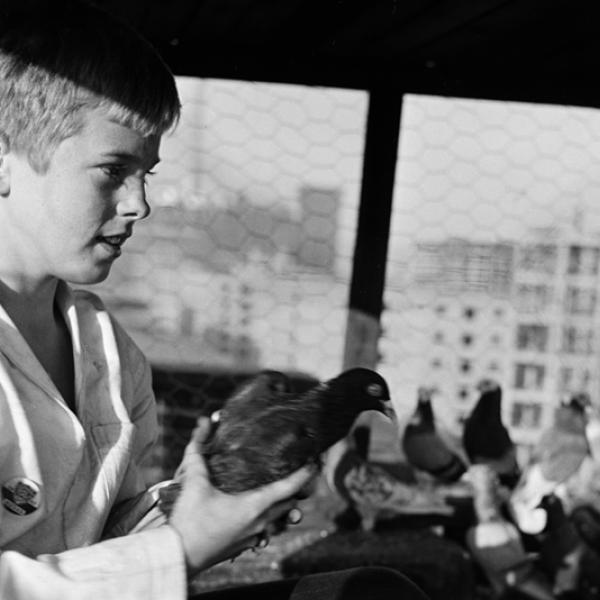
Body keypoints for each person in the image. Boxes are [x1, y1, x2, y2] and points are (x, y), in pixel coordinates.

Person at [0, 1, 430, 599]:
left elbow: (101, 542)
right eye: (113, 169)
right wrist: (184, 549)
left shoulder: (109, 352)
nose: (139, 204)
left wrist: (199, 508)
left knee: (374, 592)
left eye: (147, 173)